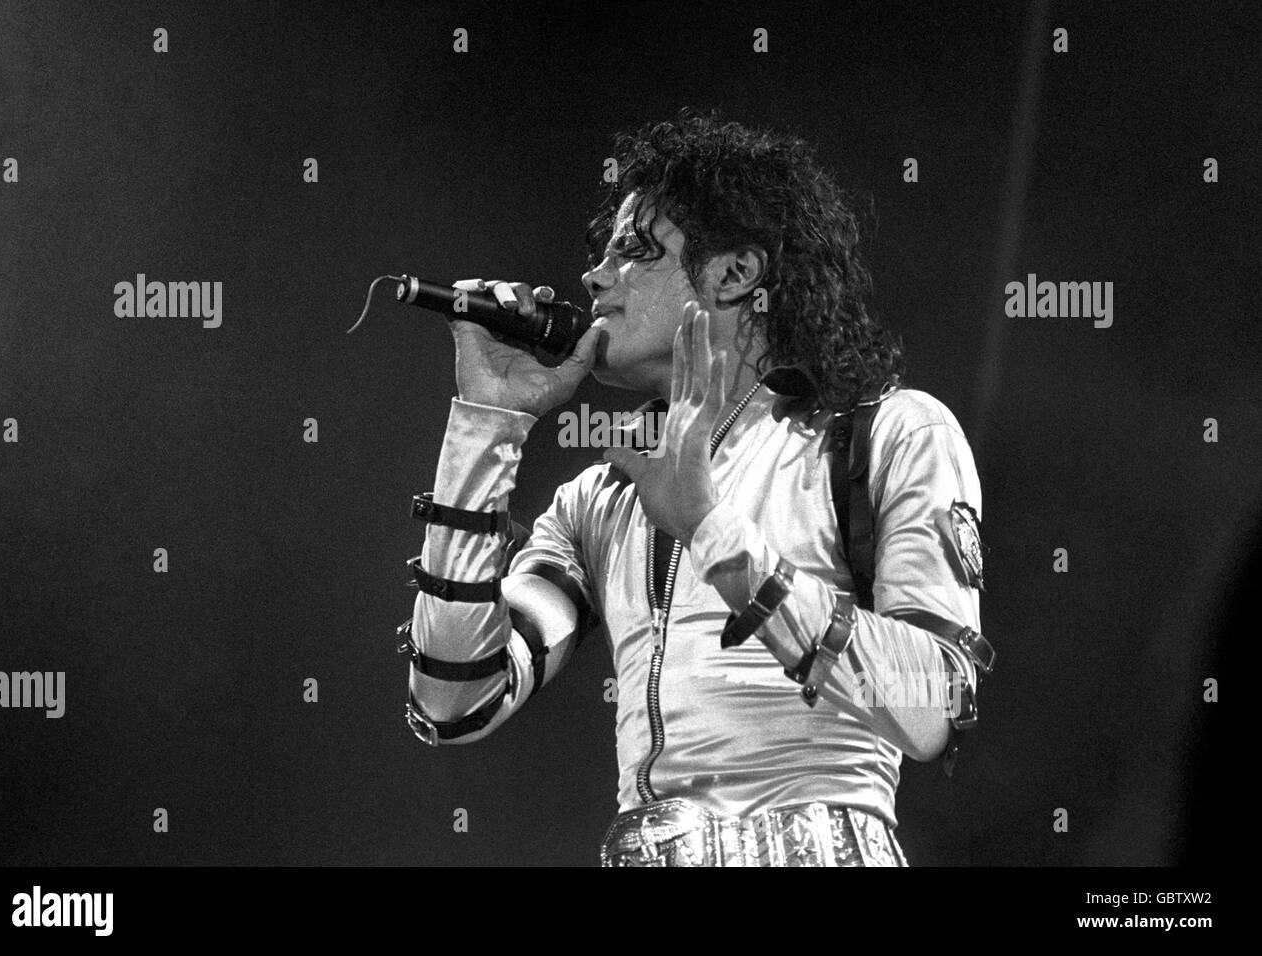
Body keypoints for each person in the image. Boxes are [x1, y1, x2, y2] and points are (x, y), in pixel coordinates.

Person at [399, 110, 995, 867]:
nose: (592, 278)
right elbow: (454, 701)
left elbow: (935, 704)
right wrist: (488, 421)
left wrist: (716, 534)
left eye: (633, 252)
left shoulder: (889, 434)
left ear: (735, 274)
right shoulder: (598, 501)